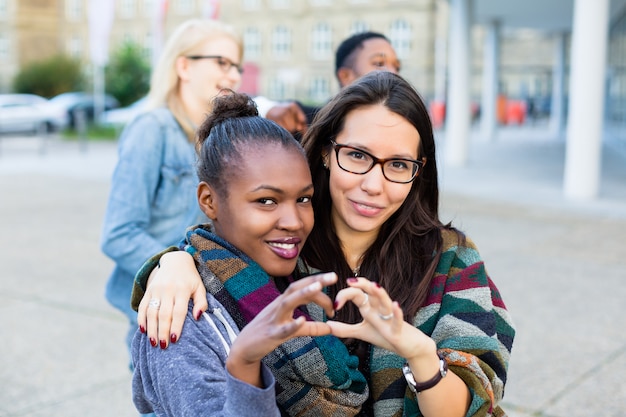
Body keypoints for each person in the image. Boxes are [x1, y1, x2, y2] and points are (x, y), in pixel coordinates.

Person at [136, 72, 515, 417]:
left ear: (419, 170)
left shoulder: (448, 258)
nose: (373, 184)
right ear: (325, 151)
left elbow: (472, 405)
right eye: (357, 156)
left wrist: (417, 351)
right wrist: (173, 262)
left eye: (398, 165)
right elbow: (222, 246)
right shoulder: (286, 245)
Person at [132, 92, 368, 416]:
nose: (294, 222)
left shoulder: (305, 280)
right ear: (209, 201)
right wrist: (244, 362)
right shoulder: (185, 316)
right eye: (266, 201)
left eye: (303, 199)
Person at [100, 18, 243, 363]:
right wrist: (175, 262)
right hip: (159, 313)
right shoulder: (152, 129)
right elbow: (118, 233)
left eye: (237, 65)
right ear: (183, 66)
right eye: (222, 62)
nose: (234, 75)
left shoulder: (221, 141)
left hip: (211, 313)